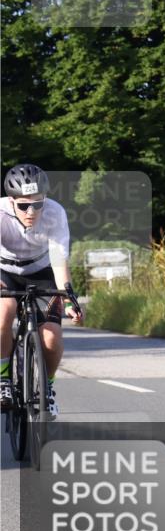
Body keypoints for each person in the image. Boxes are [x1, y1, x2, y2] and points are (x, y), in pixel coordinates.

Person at [1, 164, 84, 416]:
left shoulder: (55, 213)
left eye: (37, 204)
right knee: (4, 311)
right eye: (24, 205)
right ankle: (3, 378)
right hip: (4, 270)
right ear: (11, 200)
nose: (31, 211)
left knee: (50, 337)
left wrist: (69, 299)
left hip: (42, 271)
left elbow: (59, 261)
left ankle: (47, 389)